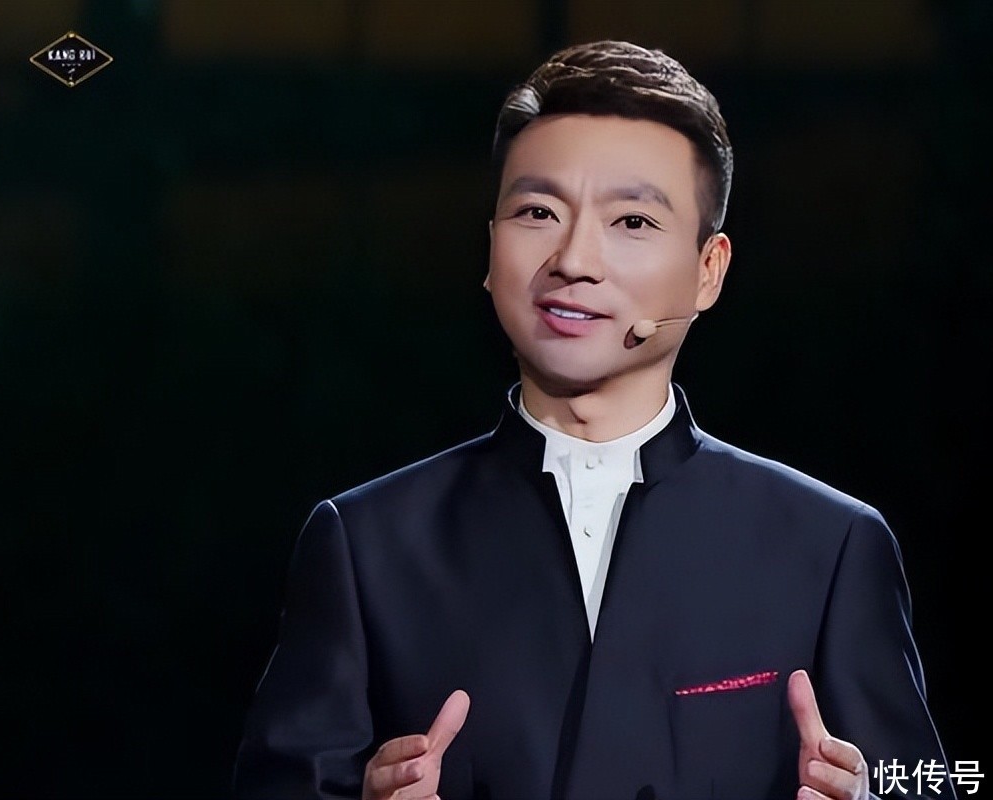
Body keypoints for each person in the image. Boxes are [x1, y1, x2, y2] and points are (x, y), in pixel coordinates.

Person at [235, 40, 953, 800]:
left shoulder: (828, 545)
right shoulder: (368, 544)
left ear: (709, 270)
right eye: (537, 212)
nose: (574, 259)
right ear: (491, 248)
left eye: (632, 221)